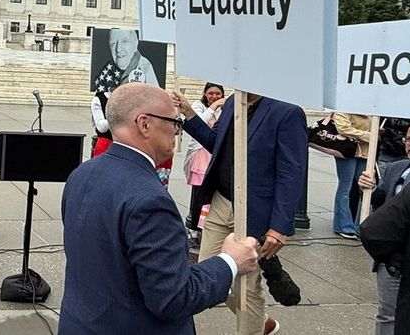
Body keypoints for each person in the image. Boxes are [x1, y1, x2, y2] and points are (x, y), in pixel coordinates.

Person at [61, 83, 258, 334]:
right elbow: (173, 298)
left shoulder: (82, 173)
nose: (177, 131)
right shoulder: (149, 200)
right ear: (144, 124)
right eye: (175, 122)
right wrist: (230, 261)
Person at [174, 89, 308, 335]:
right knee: (208, 273)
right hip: (221, 202)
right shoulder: (233, 102)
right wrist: (189, 112)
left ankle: (252, 327)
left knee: (245, 288)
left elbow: (291, 172)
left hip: (255, 211)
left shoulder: (287, 112)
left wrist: (279, 226)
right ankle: (262, 322)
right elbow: (217, 144)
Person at [357, 122, 410, 335]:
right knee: (387, 313)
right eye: (409, 139)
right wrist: (369, 188)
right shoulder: (396, 168)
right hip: (391, 257)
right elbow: (382, 204)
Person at [91, 29, 164, 177]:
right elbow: (101, 126)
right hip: (106, 147)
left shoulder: (145, 67)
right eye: (113, 43)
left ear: (135, 44)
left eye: (124, 42)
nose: (118, 49)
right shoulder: (100, 99)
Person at [183, 82, 226, 247]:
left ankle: (205, 228)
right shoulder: (198, 106)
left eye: (218, 94)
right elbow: (197, 125)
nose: (214, 97)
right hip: (200, 156)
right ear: (204, 94)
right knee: (199, 196)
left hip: (216, 157)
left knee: (212, 198)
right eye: (211, 93)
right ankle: (193, 230)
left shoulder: (225, 110)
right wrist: (213, 107)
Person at [332, 113, 371, 239]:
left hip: (365, 152)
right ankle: (343, 226)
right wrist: (368, 135)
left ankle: (361, 225)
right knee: (345, 187)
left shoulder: (370, 111)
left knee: (366, 188)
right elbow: (343, 128)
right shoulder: (345, 109)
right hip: (347, 151)